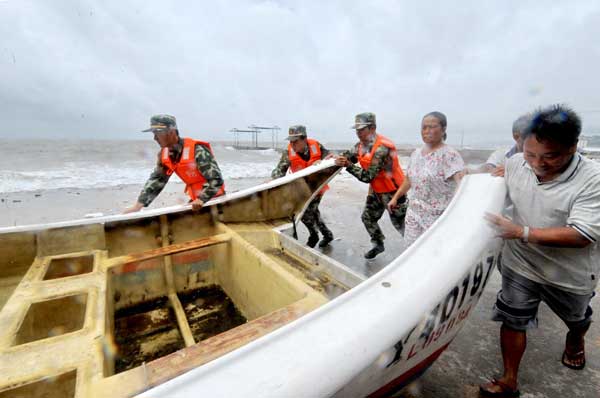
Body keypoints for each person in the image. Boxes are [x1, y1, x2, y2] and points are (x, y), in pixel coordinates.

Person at [481, 105, 600, 397]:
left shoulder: (593, 178)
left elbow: (583, 234)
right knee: (512, 317)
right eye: (531, 154)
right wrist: (474, 182)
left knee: (576, 317)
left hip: (569, 271)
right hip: (521, 262)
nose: (538, 164)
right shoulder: (516, 163)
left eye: (551, 156)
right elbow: (497, 193)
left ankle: (575, 338)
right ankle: (509, 380)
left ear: (573, 146)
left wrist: (521, 232)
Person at [334, 112, 407, 259]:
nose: (358, 133)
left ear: (372, 128)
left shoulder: (382, 148)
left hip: (393, 193)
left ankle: (419, 248)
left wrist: (348, 165)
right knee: (367, 217)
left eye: (362, 129)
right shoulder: (361, 145)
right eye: (357, 130)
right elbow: (350, 155)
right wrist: (334, 158)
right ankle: (378, 243)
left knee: (401, 225)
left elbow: (367, 176)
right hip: (376, 190)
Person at [388, 111, 464, 247]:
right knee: (411, 252)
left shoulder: (449, 155)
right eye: (424, 127)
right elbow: (409, 179)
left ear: (443, 129)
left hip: (437, 218)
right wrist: (395, 197)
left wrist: (457, 210)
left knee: (431, 254)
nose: (427, 131)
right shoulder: (416, 154)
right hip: (414, 213)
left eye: (432, 127)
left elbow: (461, 181)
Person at [124, 114, 225, 213]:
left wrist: (202, 199)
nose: (155, 138)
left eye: (158, 134)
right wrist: (137, 206)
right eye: (153, 134)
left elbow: (216, 179)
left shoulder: (197, 150)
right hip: (196, 202)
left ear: (171, 132)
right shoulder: (164, 155)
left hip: (216, 200)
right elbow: (157, 180)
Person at [271, 125, 334, 248]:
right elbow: (279, 171)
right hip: (301, 189)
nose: (293, 144)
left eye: (295, 141)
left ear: (304, 139)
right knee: (312, 213)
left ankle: (314, 235)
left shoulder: (317, 146)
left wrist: (322, 162)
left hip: (317, 188)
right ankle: (326, 234)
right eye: (291, 141)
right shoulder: (289, 153)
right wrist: (272, 181)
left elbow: (330, 157)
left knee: (306, 211)